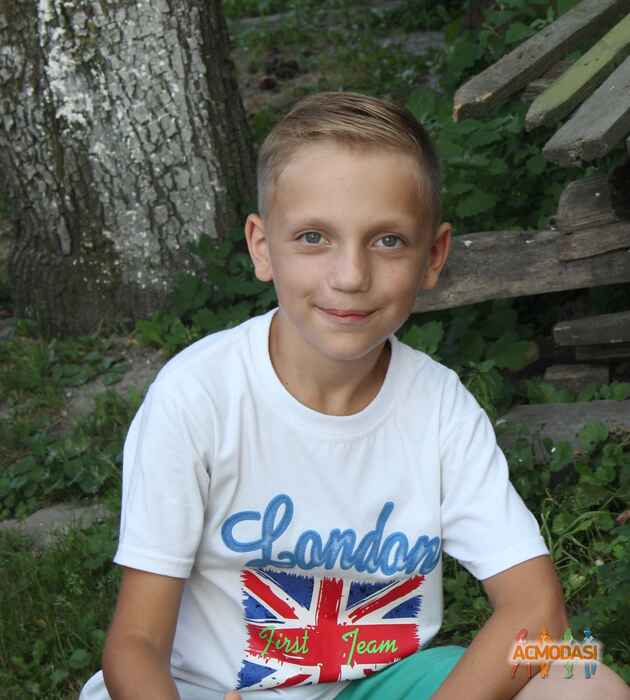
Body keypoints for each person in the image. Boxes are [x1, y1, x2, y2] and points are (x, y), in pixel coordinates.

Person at [79, 92, 630, 700]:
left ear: (433, 256)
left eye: (387, 241)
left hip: (368, 688)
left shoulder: (440, 410)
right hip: (201, 690)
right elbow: (135, 644)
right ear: (262, 247)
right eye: (313, 236)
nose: (350, 276)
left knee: (583, 679)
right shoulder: (197, 396)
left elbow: (537, 610)